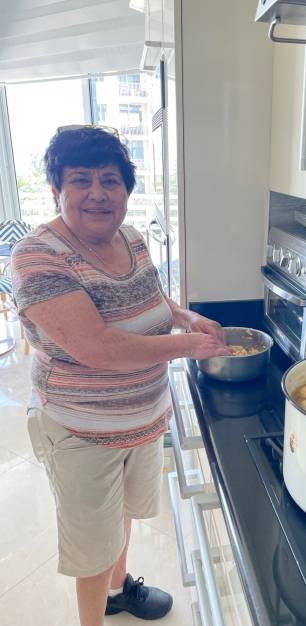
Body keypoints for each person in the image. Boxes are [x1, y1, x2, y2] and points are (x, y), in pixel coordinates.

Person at [11, 125, 232, 626]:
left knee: (123, 515)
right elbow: (98, 348)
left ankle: (118, 591)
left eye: (110, 180)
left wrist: (187, 317)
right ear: (56, 189)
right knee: (93, 546)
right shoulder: (38, 256)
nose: (98, 193)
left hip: (143, 417)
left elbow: (154, 298)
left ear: (126, 190)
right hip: (82, 430)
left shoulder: (130, 238)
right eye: (80, 179)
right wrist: (189, 346)